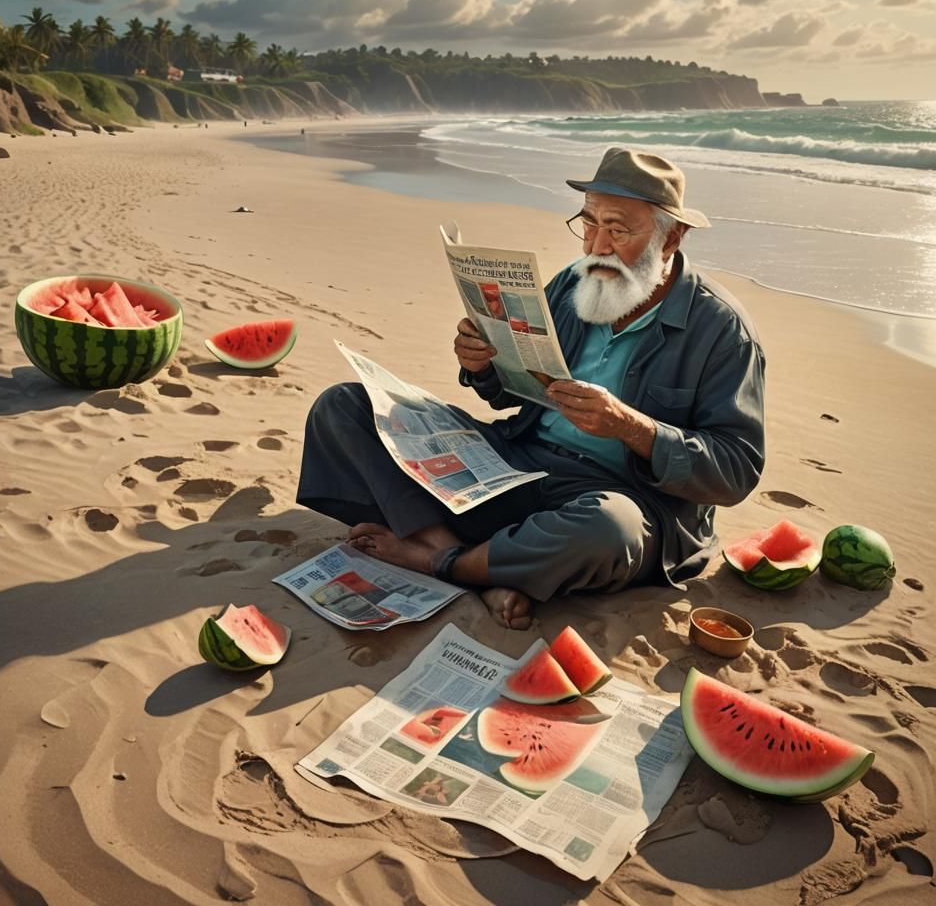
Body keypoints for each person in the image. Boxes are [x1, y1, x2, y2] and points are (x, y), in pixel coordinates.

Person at [296, 147, 766, 629]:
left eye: (618, 230)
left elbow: (737, 469)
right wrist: (483, 365)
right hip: (517, 461)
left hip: (621, 497)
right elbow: (512, 394)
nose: (595, 247)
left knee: (606, 531)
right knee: (346, 406)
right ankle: (463, 555)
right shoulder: (572, 285)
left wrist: (632, 428)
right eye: (588, 223)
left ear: (672, 238)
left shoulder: (722, 331)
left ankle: (440, 561)